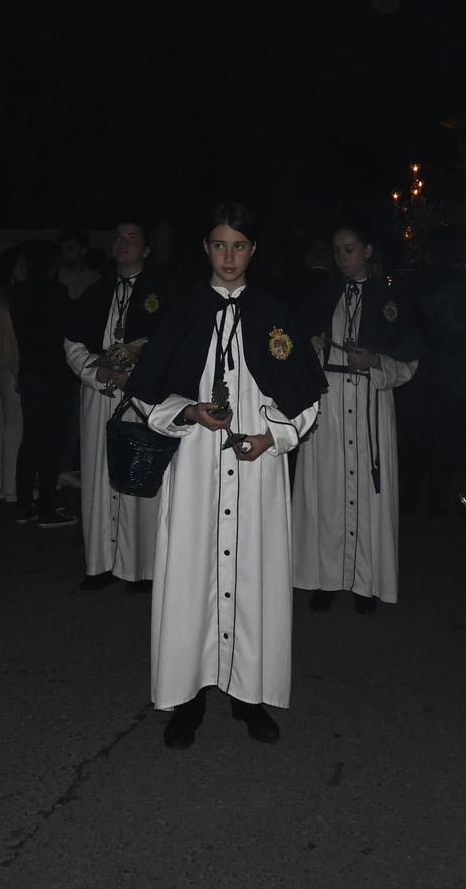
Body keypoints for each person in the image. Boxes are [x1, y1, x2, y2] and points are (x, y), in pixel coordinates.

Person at [127, 202, 325, 748]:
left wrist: (275, 437)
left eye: (239, 245)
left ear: (253, 251)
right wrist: (189, 412)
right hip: (194, 468)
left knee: (254, 577)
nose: (229, 256)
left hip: (256, 471)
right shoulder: (183, 311)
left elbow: (307, 402)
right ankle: (186, 697)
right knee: (191, 577)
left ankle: (248, 694)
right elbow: (147, 394)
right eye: (219, 245)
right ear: (206, 249)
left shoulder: (275, 313)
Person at [292, 224, 420, 614]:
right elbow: (293, 348)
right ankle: (325, 579)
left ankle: (366, 582)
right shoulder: (321, 295)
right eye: (336, 250)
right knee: (326, 489)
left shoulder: (391, 299)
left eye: (349, 249)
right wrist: (310, 345)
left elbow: (411, 362)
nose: (342, 257)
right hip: (328, 404)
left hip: (370, 404)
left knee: (368, 490)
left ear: (367, 250)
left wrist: (376, 361)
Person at [63, 222, 172, 591]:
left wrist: (137, 376)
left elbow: (173, 347)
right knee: (98, 474)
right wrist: (98, 372)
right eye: (117, 237)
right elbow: (73, 343)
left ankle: (141, 568)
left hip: (141, 398)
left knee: (140, 474)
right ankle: (101, 563)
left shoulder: (164, 292)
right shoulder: (96, 291)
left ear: (146, 249)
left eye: (132, 238)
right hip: (100, 396)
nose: (122, 244)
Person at [9, 241, 78, 527]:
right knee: (52, 442)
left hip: (31, 373)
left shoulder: (18, 295)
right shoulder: (58, 295)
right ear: (52, 266)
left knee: (31, 440)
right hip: (56, 375)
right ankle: (48, 507)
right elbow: (68, 333)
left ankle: (25, 504)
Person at [0, 247, 27, 503]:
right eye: (20, 264)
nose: (25, 269)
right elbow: (9, 342)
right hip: (7, 366)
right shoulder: (13, 296)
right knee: (14, 425)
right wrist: (17, 371)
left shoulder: (2, 294)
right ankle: (11, 487)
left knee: (3, 423)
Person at [57, 228, 100, 299]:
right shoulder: (57, 277)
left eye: (69, 248)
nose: (64, 253)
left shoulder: (95, 280)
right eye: (62, 249)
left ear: (83, 250)